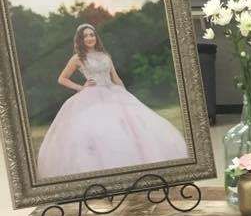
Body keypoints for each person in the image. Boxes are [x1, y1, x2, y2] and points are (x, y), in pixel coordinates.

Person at [36, 23, 188, 179]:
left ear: (96, 37)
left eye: (92, 35)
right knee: (99, 131)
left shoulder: (105, 56)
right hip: (91, 96)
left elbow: (115, 78)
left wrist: (126, 95)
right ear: (80, 40)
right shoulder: (78, 58)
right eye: (85, 36)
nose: (89, 38)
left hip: (112, 92)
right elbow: (62, 79)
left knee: (132, 128)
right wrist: (81, 88)